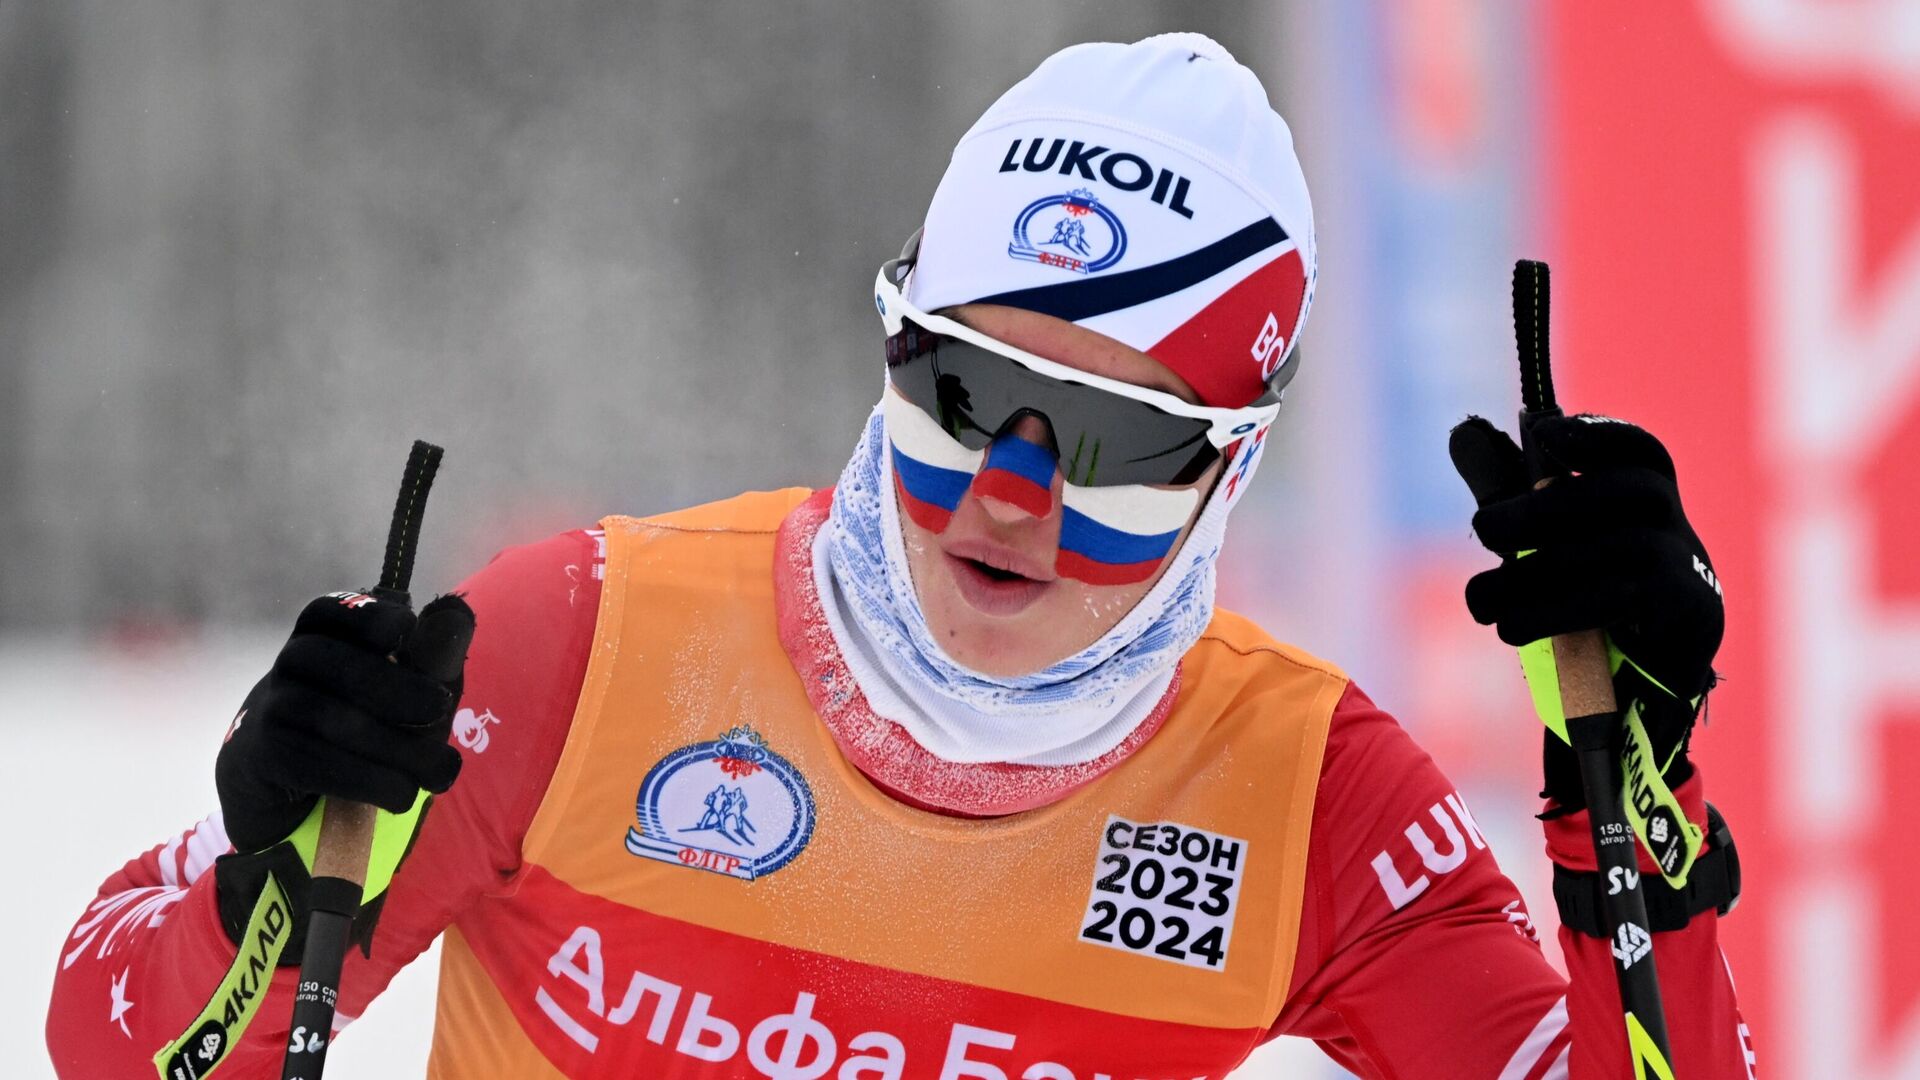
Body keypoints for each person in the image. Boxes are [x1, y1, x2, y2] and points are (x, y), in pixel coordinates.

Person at [47, 34, 1753, 1079]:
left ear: (1231, 469)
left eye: (1112, 443)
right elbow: (112, 1049)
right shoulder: (580, 642)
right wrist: (258, 877)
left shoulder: (1313, 804)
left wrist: (1636, 806)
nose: (1011, 493)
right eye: (966, 395)